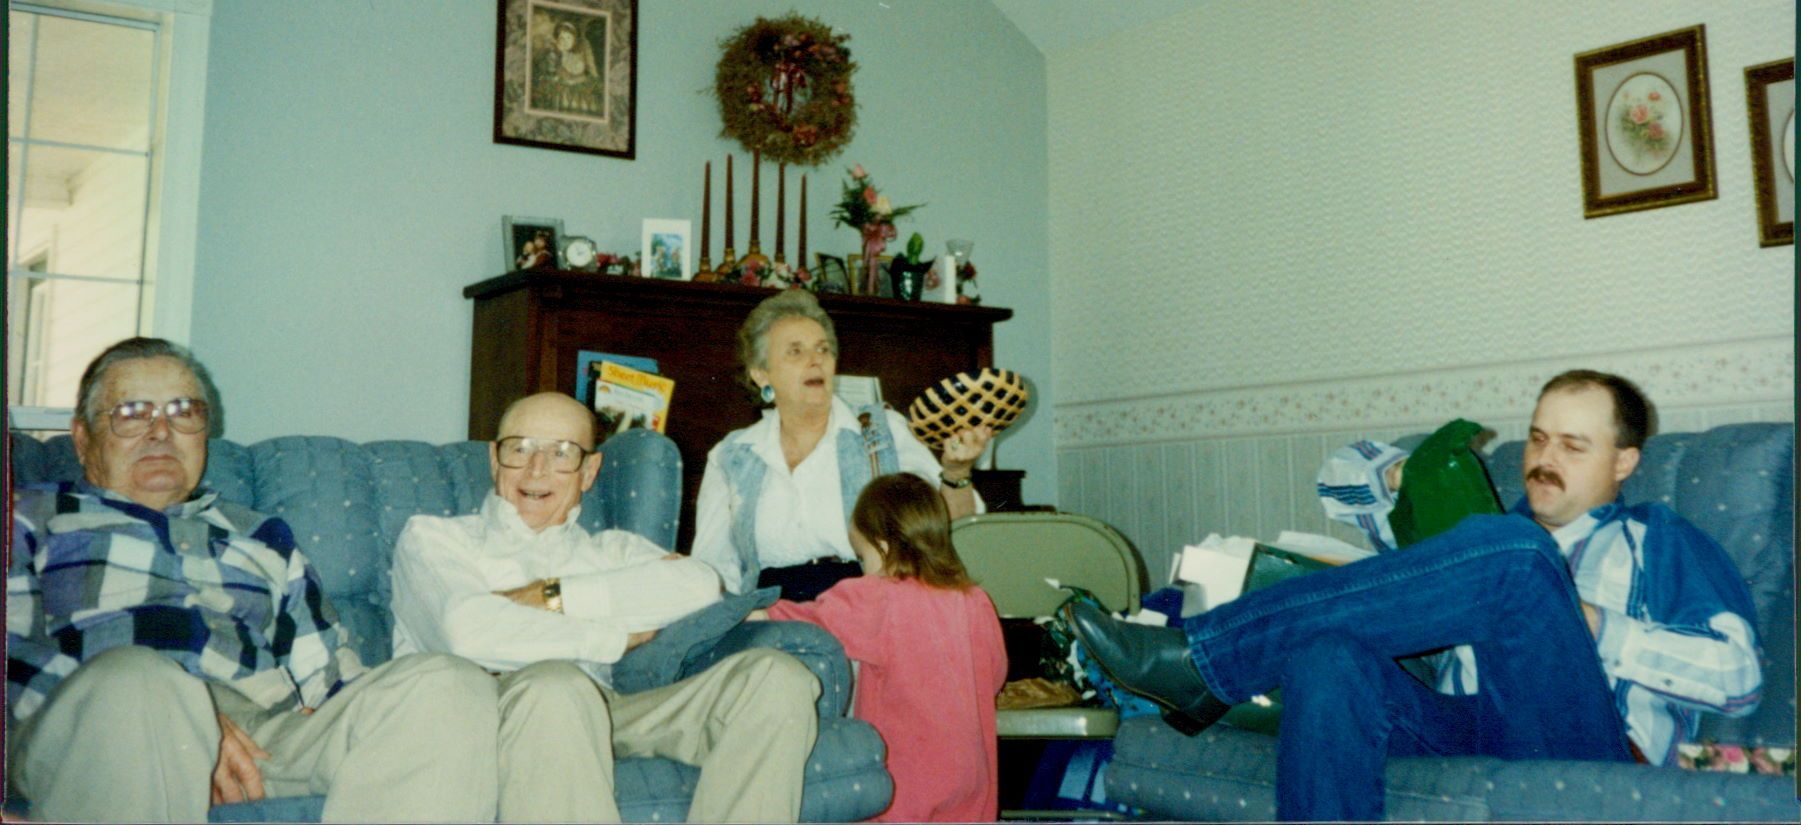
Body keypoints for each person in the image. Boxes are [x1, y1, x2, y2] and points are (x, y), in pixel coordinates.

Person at [1065, 370, 1763, 821]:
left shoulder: (1660, 538)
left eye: (1573, 446)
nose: (1544, 460)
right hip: (1462, 727)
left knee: (1519, 557)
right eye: (1538, 438)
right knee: (1328, 656)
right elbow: (1340, 479)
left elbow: (1738, 678)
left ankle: (1203, 659)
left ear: (1624, 461)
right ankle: (1208, 660)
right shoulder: (1475, 534)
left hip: (1582, 737)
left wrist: (1594, 625)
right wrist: (1410, 474)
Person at [6, 337, 500, 823]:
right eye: (133, 413)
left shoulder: (262, 536)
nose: (161, 432)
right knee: (139, 686)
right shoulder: (29, 516)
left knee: (449, 686)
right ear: (82, 438)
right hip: (95, 716)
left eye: (183, 411)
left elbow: (330, 677)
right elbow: (15, 662)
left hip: (260, 736)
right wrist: (187, 719)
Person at [388, 392, 820, 823]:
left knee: (777, 678)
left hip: (607, 707)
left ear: (589, 471)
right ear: (494, 460)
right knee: (554, 685)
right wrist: (612, 637)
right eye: (520, 449)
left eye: (562, 453)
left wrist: (551, 595)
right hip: (482, 712)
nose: (537, 468)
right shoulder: (434, 539)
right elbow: (466, 632)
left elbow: (700, 584)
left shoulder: (611, 551)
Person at [692, 289, 991, 602]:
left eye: (823, 349)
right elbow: (713, 568)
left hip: (867, 607)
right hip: (768, 613)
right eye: (795, 352)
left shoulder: (883, 432)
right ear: (761, 375)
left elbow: (953, 532)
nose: (815, 360)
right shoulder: (731, 455)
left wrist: (956, 472)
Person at [748, 473, 1008, 821]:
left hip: (904, 787)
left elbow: (804, 619)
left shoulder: (877, 597)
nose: (863, 569)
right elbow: (994, 676)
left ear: (883, 548)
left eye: (862, 556)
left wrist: (749, 612)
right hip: (972, 786)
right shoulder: (974, 600)